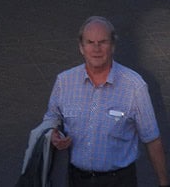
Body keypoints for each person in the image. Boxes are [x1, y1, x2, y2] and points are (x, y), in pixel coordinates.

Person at [44, 16, 170, 186]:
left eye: (102, 42)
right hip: (76, 180)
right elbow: (51, 117)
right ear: (81, 47)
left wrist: (163, 182)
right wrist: (53, 133)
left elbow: (152, 138)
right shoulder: (64, 82)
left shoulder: (134, 86)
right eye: (90, 42)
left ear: (113, 46)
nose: (96, 48)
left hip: (119, 181)